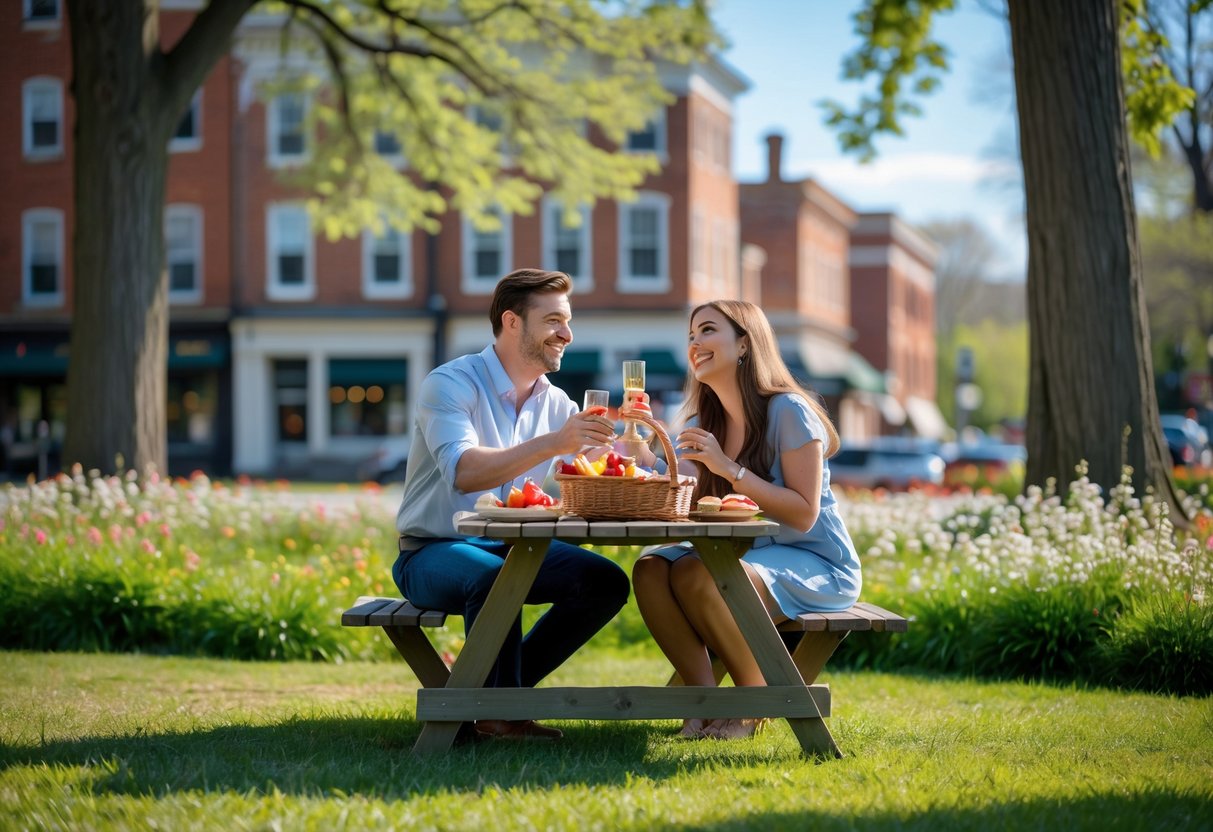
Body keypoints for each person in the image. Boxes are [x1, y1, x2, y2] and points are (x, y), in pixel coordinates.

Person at [393, 268, 630, 741]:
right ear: (513, 322)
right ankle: (501, 713)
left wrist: (633, 448)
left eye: (567, 321)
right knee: (494, 578)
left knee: (603, 582)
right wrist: (552, 444)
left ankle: (501, 693)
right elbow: (464, 473)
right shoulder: (451, 384)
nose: (567, 333)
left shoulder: (556, 402)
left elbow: (598, 474)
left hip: (513, 551)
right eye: (554, 321)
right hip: (431, 551)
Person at [629, 300, 861, 740]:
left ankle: (754, 700)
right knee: (651, 568)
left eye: (708, 331)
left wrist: (730, 470)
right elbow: (675, 489)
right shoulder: (703, 420)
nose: (695, 343)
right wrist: (640, 445)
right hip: (744, 556)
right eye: (692, 335)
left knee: (699, 572)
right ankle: (702, 704)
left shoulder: (789, 411)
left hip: (814, 560)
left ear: (743, 345)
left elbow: (804, 512)